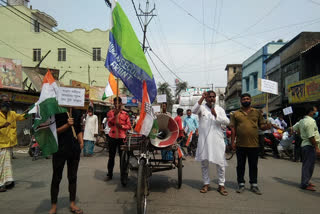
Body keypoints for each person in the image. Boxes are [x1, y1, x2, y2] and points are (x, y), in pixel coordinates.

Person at [230, 93, 271, 195]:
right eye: (244, 99)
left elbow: (261, 126)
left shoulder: (257, 112)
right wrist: (232, 143)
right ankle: (241, 184)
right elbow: (233, 129)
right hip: (240, 145)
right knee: (240, 166)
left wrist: (267, 126)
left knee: (253, 166)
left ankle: (254, 184)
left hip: (254, 144)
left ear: (250, 100)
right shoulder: (235, 114)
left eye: (247, 99)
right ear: (241, 101)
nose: (246, 100)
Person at [192, 91, 230, 195]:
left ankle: (221, 185)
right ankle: (206, 183)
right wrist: (201, 98)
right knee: (204, 163)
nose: (212, 98)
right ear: (206, 98)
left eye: (213, 97)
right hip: (204, 141)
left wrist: (216, 115)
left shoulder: (219, 109)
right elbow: (193, 110)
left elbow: (227, 122)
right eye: (209, 97)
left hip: (217, 140)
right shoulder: (202, 107)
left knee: (220, 163)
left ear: (215, 98)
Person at [49, 108, 84, 214]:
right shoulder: (55, 111)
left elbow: (78, 129)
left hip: (74, 149)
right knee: (56, 177)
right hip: (59, 148)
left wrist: (81, 142)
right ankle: (54, 206)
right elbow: (53, 131)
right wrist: (67, 125)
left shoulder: (77, 111)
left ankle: (72, 204)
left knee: (73, 177)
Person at [0, 94, 26, 192]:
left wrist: (33, 110)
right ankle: (1, 184)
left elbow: (22, 117)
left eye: (7, 102)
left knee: (7, 164)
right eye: (3, 102)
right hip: (1, 144)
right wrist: (2, 126)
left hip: (9, 143)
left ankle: (8, 181)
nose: (5, 104)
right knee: (1, 164)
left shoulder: (12, 114)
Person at [293, 105, 320, 191]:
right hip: (309, 146)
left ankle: (306, 181)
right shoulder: (310, 122)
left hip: (305, 145)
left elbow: (294, 128)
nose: (316, 112)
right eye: (315, 111)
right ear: (311, 112)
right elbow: (311, 136)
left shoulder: (302, 121)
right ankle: (304, 184)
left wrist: (301, 134)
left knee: (309, 165)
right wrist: (316, 147)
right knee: (308, 166)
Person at [105, 97, 131, 181]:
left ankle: (123, 175)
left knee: (122, 158)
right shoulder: (110, 113)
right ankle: (109, 174)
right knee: (111, 156)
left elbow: (129, 126)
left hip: (122, 137)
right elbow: (109, 124)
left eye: (118, 103)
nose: (116, 105)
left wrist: (122, 126)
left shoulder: (125, 114)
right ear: (113, 104)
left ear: (121, 104)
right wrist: (114, 116)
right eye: (115, 103)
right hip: (112, 137)